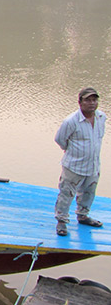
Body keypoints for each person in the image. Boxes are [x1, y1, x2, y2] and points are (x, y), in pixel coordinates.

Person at [54, 87, 106, 236]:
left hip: (93, 165)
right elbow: (60, 140)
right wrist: (71, 151)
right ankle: (62, 221)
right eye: (88, 100)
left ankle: (83, 215)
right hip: (74, 165)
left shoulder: (101, 117)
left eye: (94, 100)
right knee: (66, 193)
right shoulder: (71, 121)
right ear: (80, 102)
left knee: (89, 192)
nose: (92, 103)